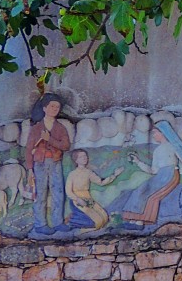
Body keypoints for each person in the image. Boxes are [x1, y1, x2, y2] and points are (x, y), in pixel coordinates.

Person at [110, 121, 182, 227]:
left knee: (152, 196)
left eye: (155, 132)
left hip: (170, 175)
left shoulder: (173, 146)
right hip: (159, 176)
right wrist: (138, 161)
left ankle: (143, 220)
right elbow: (153, 171)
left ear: (163, 133)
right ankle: (133, 219)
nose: (153, 135)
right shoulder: (157, 151)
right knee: (140, 190)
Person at [25, 94, 71, 235]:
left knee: (58, 192)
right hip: (40, 163)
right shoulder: (37, 128)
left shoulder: (60, 128)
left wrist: (49, 139)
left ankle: (58, 222)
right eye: (52, 106)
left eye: (57, 107)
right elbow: (29, 148)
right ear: (44, 108)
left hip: (55, 162)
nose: (55, 109)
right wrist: (30, 168)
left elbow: (65, 145)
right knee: (40, 193)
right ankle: (40, 224)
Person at [65, 149, 123, 232]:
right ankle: (72, 220)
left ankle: (78, 218)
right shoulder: (72, 174)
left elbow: (101, 182)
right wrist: (78, 199)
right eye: (81, 157)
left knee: (104, 218)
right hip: (76, 200)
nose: (85, 158)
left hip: (88, 198)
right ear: (76, 160)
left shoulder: (88, 172)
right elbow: (68, 191)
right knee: (97, 222)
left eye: (85, 156)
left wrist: (115, 175)